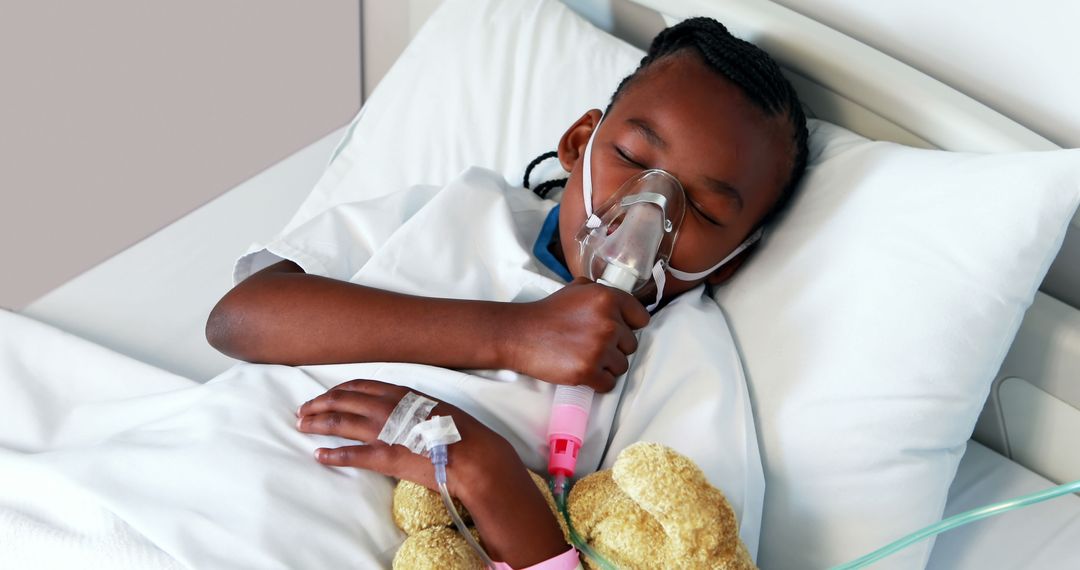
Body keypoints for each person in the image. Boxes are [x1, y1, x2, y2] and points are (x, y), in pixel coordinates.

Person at [208, 16, 808, 569]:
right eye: (629, 156)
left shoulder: (683, 367)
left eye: (700, 209)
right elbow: (239, 321)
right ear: (579, 145)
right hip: (189, 472)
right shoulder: (454, 209)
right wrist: (510, 335)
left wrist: (484, 468)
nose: (647, 214)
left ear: (733, 262)